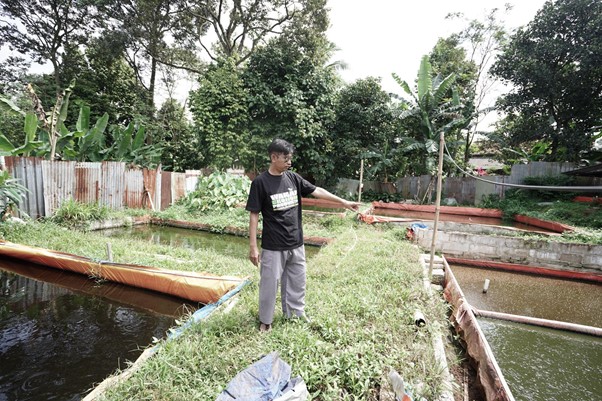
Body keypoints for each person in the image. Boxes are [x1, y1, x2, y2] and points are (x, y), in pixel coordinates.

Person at [245, 139, 360, 332]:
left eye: (290, 158)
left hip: (296, 243)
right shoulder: (260, 183)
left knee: (297, 281)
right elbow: (254, 215)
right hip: (273, 246)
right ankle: (266, 320)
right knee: (269, 285)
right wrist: (253, 247)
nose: (290, 162)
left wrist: (343, 202)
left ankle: (295, 315)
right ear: (274, 157)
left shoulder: (293, 178)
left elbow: (317, 191)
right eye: (286, 158)